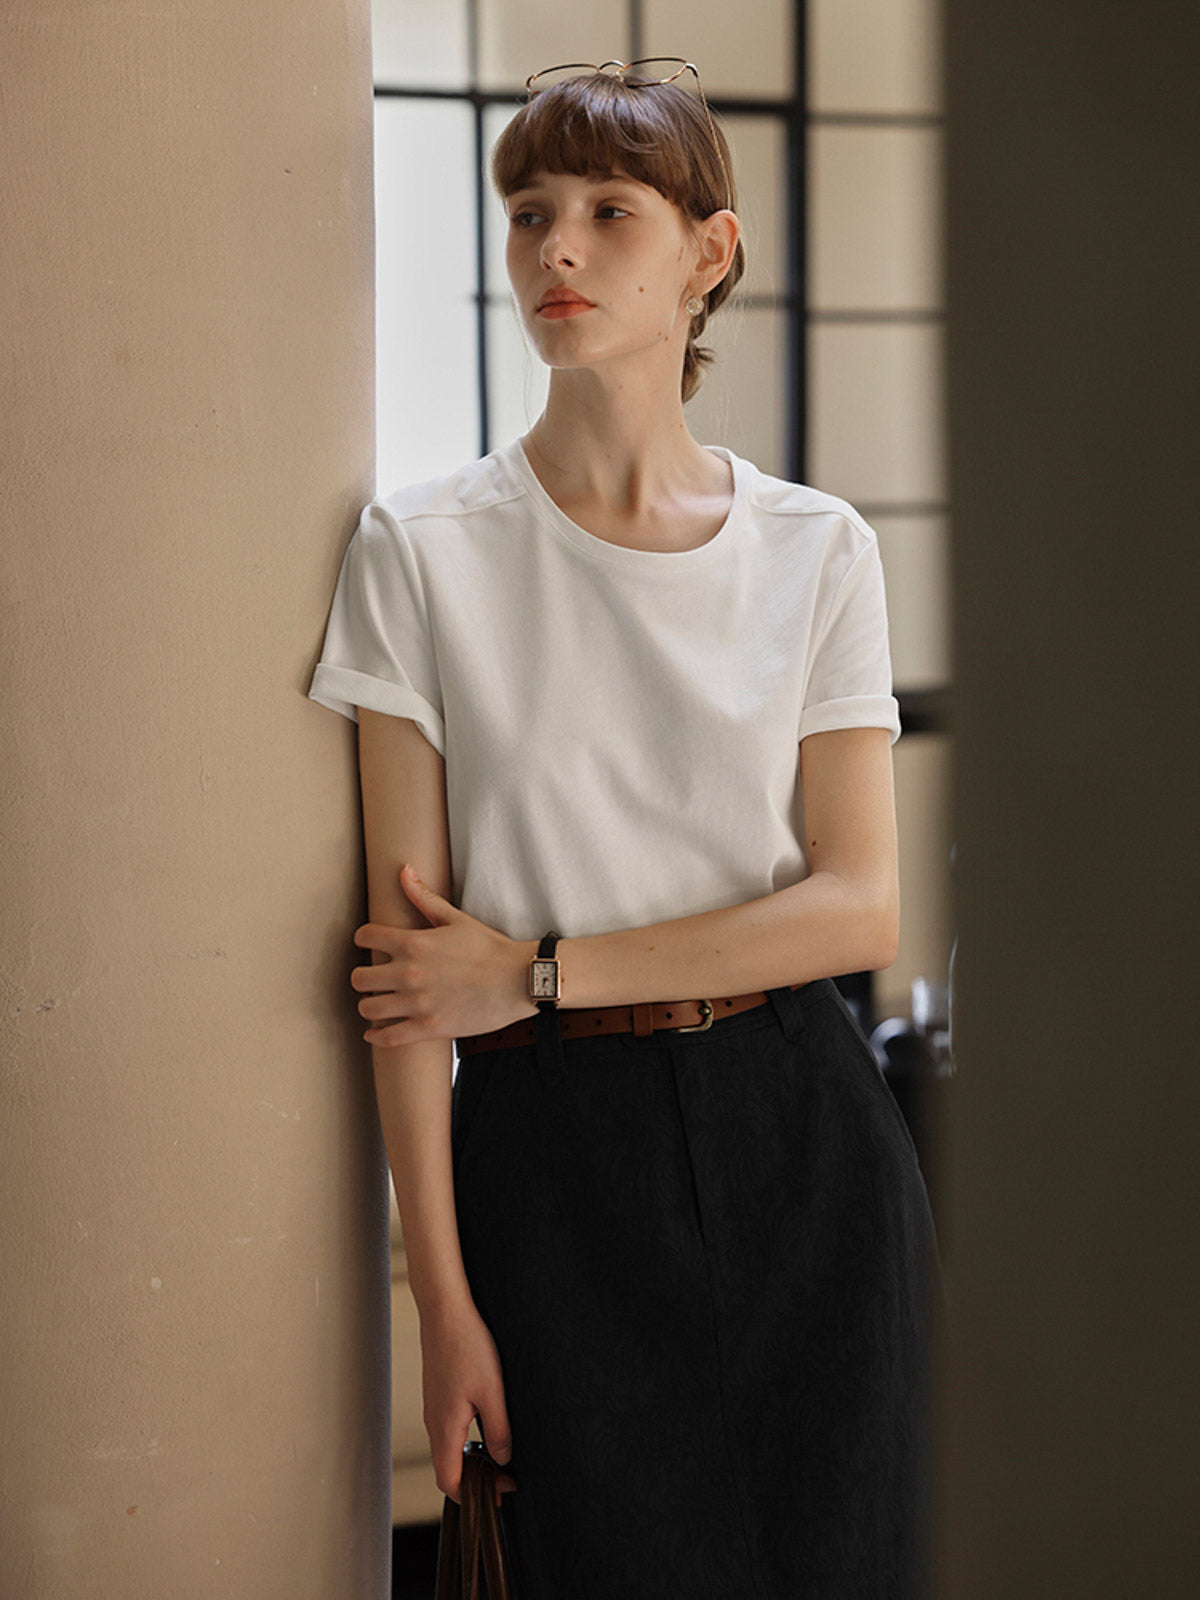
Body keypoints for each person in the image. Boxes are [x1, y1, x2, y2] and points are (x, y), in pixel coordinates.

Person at [310, 60, 941, 1600]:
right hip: (550, 1162)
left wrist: (534, 971)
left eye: (609, 212)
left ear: (709, 253)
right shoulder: (419, 551)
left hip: (802, 1140)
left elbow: (858, 909)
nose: (558, 249)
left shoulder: (819, 549)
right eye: (530, 212)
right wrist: (441, 1304)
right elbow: (411, 979)